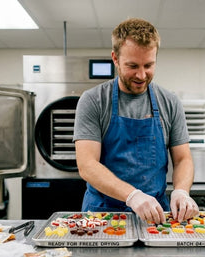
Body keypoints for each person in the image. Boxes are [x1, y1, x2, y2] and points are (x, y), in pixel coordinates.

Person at [73, 18, 198, 224]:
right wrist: (133, 196)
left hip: (156, 214)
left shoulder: (170, 102)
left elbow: (183, 158)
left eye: (148, 65)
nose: (141, 75)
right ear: (115, 58)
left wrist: (181, 191)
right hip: (103, 215)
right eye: (132, 66)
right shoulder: (94, 100)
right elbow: (87, 164)